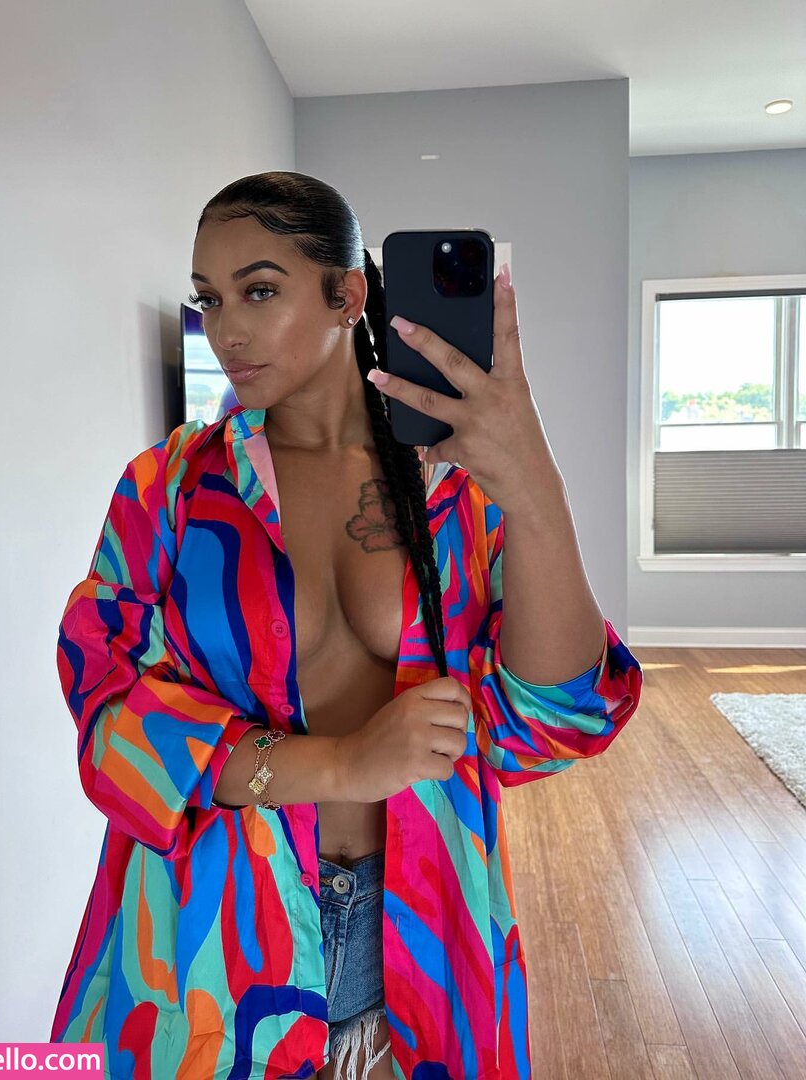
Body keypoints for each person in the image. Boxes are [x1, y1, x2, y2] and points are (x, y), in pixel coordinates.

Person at [49, 171, 643, 1079]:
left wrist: (532, 487)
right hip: (207, 937)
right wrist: (343, 763)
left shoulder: (454, 488)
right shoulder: (168, 488)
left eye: (259, 290)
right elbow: (109, 715)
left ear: (348, 295)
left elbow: (558, 718)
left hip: (422, 932)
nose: (227, 330)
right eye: (210, 299)